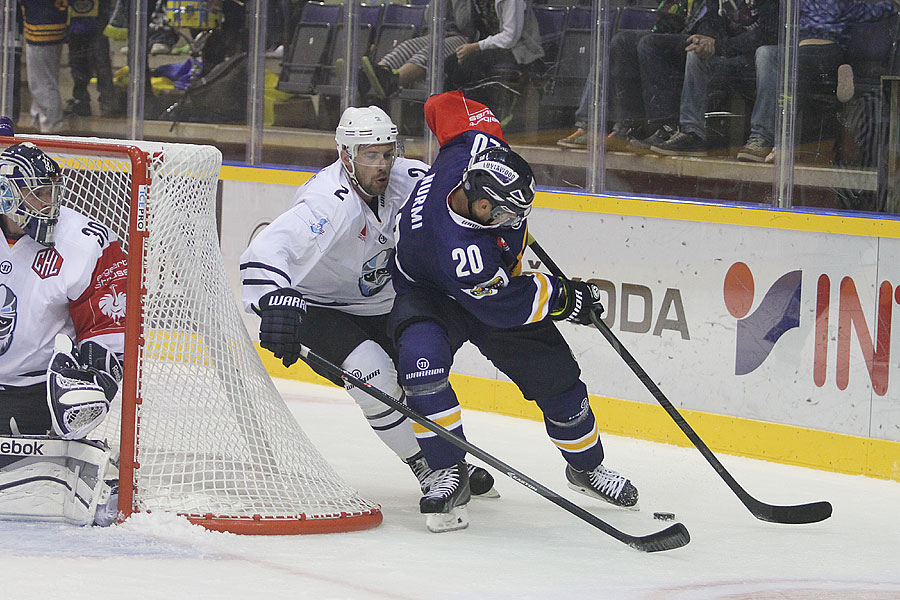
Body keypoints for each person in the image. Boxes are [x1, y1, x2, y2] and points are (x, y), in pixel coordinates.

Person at [389, 90, 638, 533]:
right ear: (480, 204)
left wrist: (469, 120)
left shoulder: (476, 148)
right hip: (433, 296)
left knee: (559, 379)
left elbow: (441, 105)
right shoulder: (460, 250)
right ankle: (449, 470)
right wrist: (565, 298)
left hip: (493, 288)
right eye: (505, 213)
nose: (512, 221)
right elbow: (508, 306)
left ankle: (586, 468)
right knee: (421, 368)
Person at [239, 106, 497, 498]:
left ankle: (446, 457)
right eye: (370, 155)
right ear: (345, 155)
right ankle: (428, 466)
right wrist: (274, 298)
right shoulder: (329, 201)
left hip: (385, 303)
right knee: (370, 371)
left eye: (387, 153)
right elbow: (270, 247)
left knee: (419, 374)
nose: (382, 164)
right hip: (322, 307)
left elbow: (459, 199)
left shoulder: (410, 179)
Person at [0, 134, 125, 526]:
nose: (49, 203)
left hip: (36, 392)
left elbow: (108, 327)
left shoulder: (86, 241)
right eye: (36, 194)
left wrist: (93, 380)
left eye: (52, 191)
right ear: (5, 197)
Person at [736, 0, 898, 162]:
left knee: (791, 76)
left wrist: (892, 5)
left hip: (829, 53)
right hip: (800, 53)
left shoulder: (839, 4)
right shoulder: (799, 4)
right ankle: (763, 139)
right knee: (766, 54)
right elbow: (871, 11)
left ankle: (779, 144)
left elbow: (867, 11)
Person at [557, 0, 717, 151]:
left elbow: (715, 24)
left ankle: (665, 127)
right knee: (620, 43)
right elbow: (663, 27)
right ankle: (607, 126)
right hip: (675, 40)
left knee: (648, 44)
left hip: (705, 42)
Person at [639, 0, 779, 156]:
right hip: (733, 55)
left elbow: (770, 34)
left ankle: (761, 138)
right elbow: (711, 23)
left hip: (762, 60)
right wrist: (704, 42)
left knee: (765, 54)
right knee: (696, 53)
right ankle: (692, 134)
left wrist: (719, 45)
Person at [66, 0, 124, 117]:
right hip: (75, 16)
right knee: (77, 61)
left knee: (101, 59)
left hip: (98, 13)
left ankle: (108, 103)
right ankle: (81, 102)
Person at [22, 0, 68, 133]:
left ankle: (50, 126)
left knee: (44, 83)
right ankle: (41, 120)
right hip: (47, 21)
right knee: (42, 81)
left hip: (42, 23)